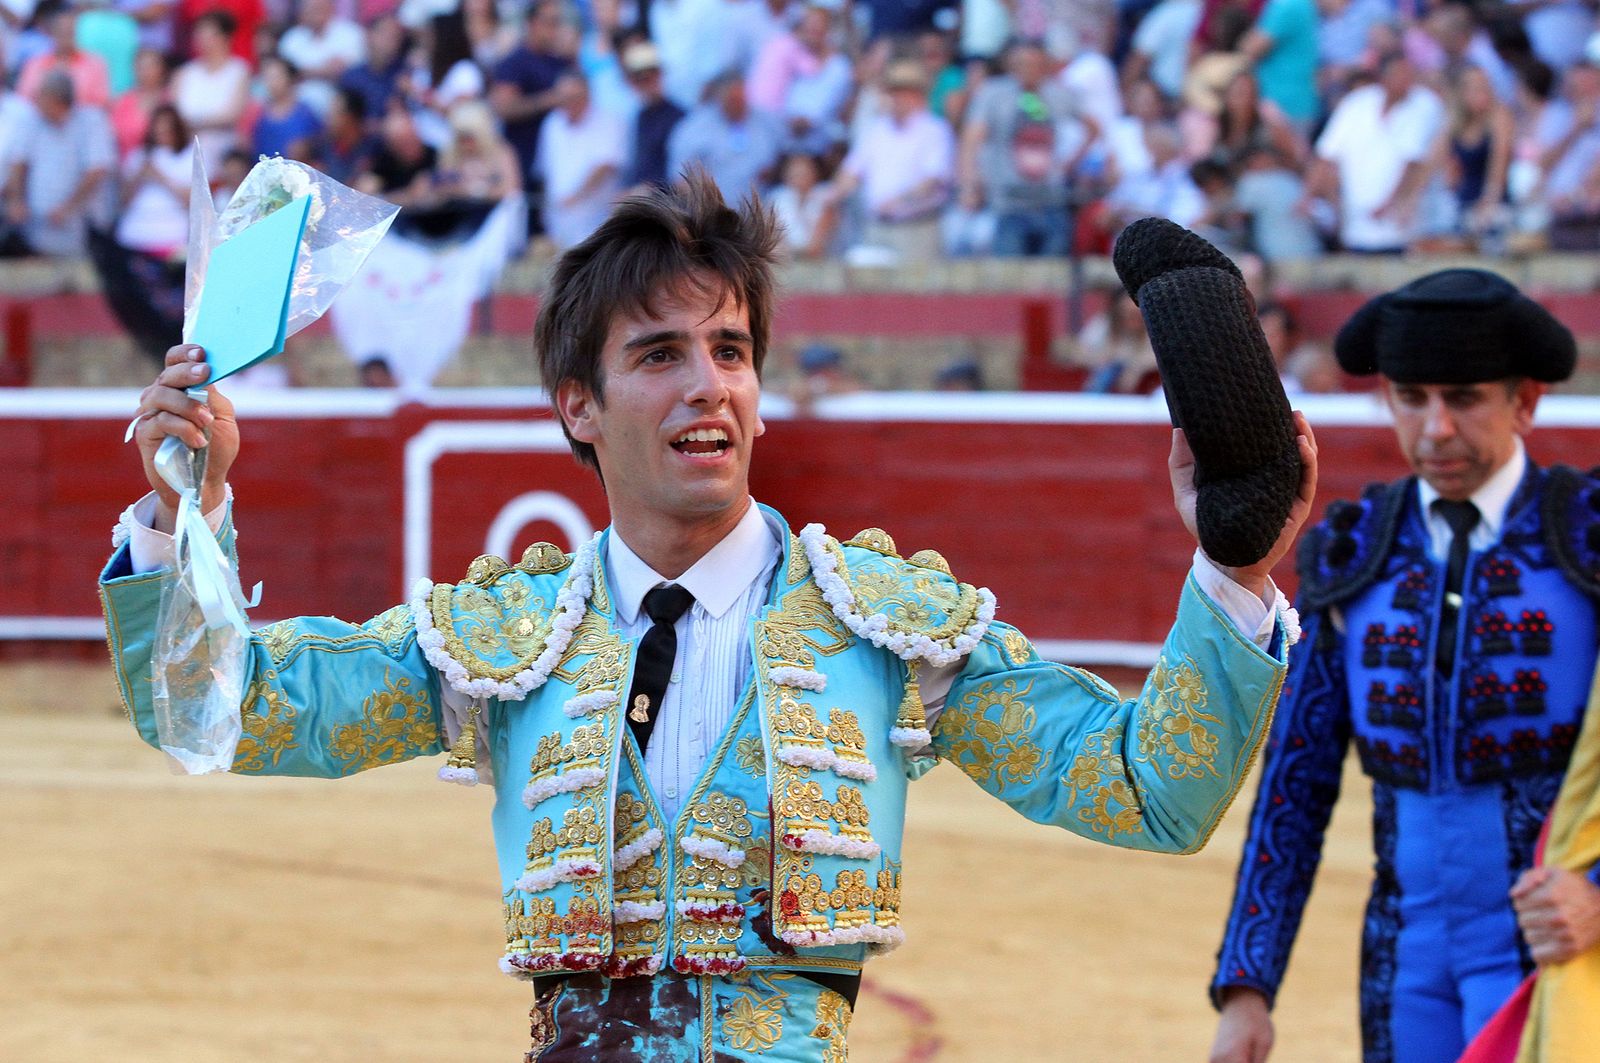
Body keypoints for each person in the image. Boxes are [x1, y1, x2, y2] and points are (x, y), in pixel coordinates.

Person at [107, 175, 1313, 1058]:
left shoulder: (887, 631)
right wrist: (188, 514)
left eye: (731, 350)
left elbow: (1151, 789)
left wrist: (1235, 577)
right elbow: (219, 711)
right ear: (579, 406)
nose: (708, 383)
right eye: (661, 354)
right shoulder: (504, 640)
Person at [1210, 269, 1600, 1063]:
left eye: (1464, 398)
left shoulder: (1588, 541)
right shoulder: (1358, 550)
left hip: (1559, 954)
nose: (1435, 429)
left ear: (1524, 400)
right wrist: (1248, 986)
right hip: (1404, 962)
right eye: (1411, 397)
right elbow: (1296, 781)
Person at [3, 69, 114, 257]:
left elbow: (96, 171)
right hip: (36, 224)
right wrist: (16, 200)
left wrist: (68, 208)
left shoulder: (91, 121)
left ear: (58, 100)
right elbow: (18, 163)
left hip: (81, 225)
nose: (37, 102)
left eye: (42, 97)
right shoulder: (32, 121)